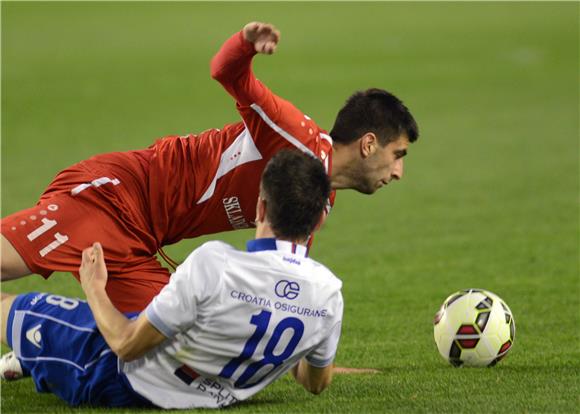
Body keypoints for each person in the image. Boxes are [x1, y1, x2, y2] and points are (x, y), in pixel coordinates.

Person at [1, 21, 419, 313]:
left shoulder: (315, 201)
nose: (398, 172)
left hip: (144, 243)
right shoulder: (294, 136)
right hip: (114, 196)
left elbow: (280, 288)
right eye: (397, 154)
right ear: (368, 144)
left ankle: (27, 342)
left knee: (167, 344)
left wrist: (315, 358)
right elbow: (225, 71)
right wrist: (245, 42)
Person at [0, 150, 343, 409]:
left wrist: (93, 286)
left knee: (12, 307)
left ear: (260, 209)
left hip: (112, 371)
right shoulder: (328, 295)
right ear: (318, 223)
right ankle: (29, 357)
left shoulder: (215, 263)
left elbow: (125, 344)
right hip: (202, 389)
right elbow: (315, 382)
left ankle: (34, 351)